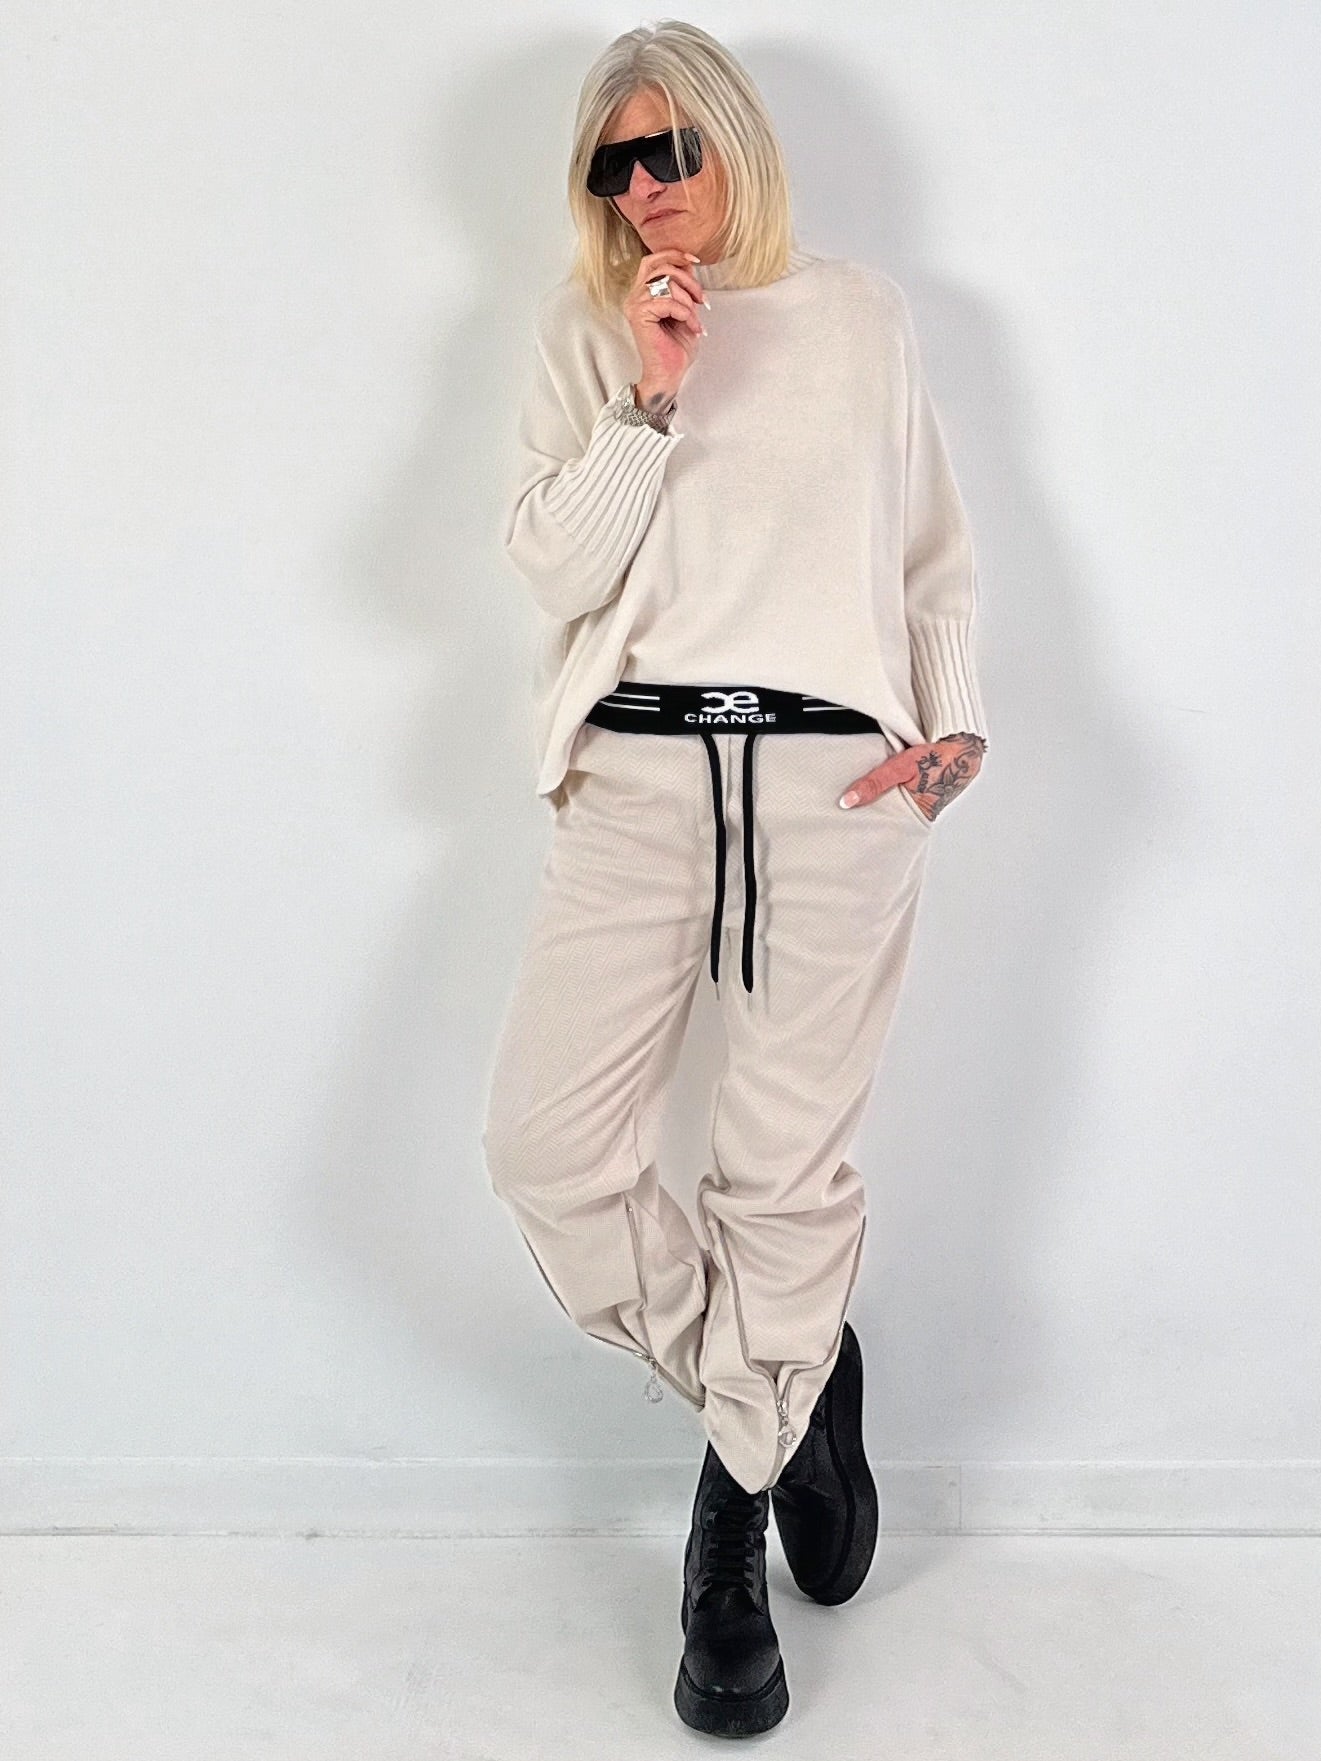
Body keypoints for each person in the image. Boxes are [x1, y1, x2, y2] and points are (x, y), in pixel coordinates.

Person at [481, 18, 988, 1737]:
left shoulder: (858, 317)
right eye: (611, 164)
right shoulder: (589, 326)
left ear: (730, 142)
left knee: (777, 1175)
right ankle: (785, 1374)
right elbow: (551, 567)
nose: (644, 188)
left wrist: (951, 730)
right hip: (632, 774)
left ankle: (721, 1540)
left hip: (832, 782)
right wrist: (649, 395)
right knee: (546, 1149)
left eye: (668, 150)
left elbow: (930, 553)